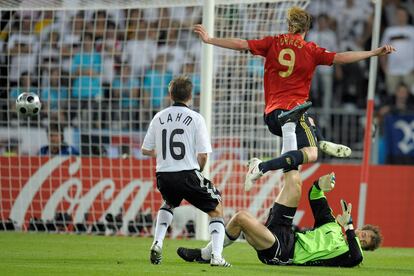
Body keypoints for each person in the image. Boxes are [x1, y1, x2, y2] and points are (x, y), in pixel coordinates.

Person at [193, 6, 396, 191]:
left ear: (289, 26)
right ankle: (263, 165)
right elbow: (341, 57)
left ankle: (320, 138)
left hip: (272, 116)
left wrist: (210, 39)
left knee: (298, 152)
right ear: (307, 28)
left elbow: (241, 44)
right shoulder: (311, 50)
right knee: (312, 154)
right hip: (292, 113)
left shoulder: (273, 42)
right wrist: (373, 53)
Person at [177, 172, 383, 267]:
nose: (361, 238)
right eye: (364, 234)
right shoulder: (331, 225)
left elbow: (357, 258)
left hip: (284, 252)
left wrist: (348, 226)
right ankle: (288, 130)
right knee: (294, 181)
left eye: (364, 241)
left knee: (241, 217)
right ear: (362, 228)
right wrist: (320, 184)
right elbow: (315, 196)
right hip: (286, 232)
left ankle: (206, 253)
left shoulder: (348, 254)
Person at [141, 76, 231, 267]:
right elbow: (204, 155)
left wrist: (163, 154)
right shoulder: (196, 119)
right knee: (216, 208)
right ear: (191, 96)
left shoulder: (159, 117)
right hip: (187, 173)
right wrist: (198, 172)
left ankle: (157, 242)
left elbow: (145, 149)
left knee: (169, 203)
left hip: (163, 175)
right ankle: (216, 256)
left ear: (170, 94)